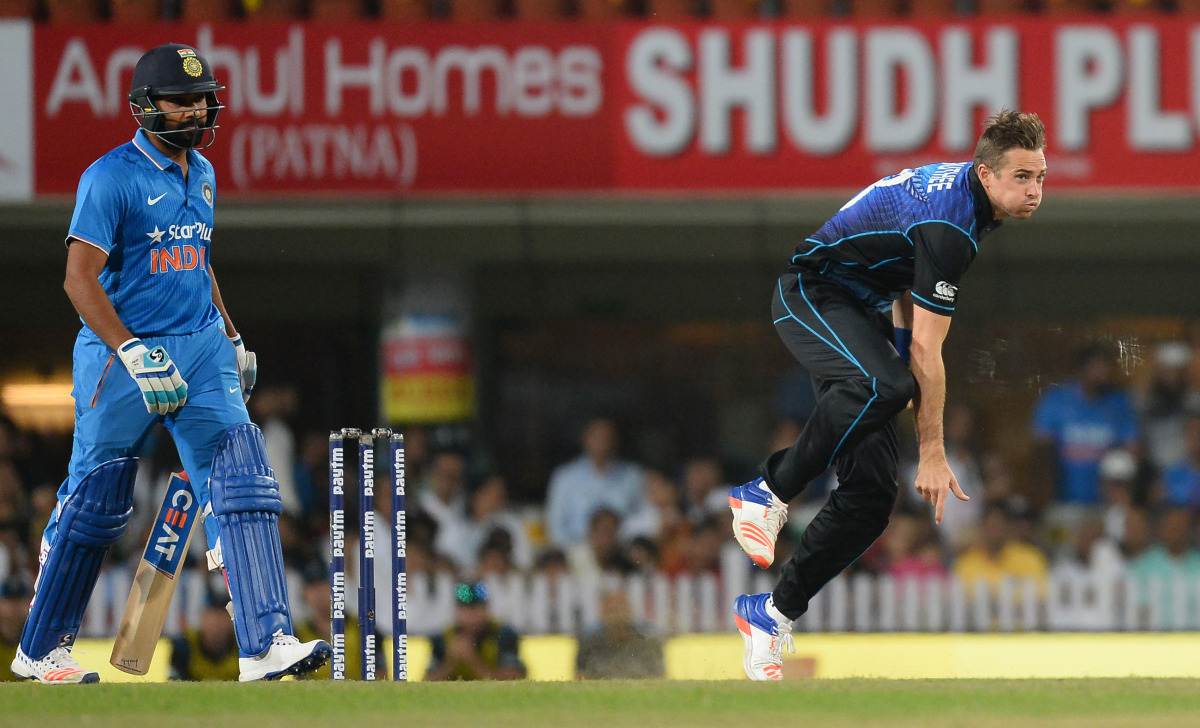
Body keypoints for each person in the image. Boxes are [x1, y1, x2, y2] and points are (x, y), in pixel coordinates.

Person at [9, 43, 329, 684]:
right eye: (182, 102)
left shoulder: (203, 173)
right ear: (144, 106)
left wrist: (232, 338)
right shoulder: (110, 177)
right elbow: (79, 280)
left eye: (202, 100)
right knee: (96, 502)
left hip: (201, 344)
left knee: (243, 479)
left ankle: (264, 645)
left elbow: (197, 263)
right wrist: (130, 349)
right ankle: (42, 651)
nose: (196, 111)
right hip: (120, 353)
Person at [727, 110, 1047, 680]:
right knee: (890, 382)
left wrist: (898, 358)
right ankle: (768, 489)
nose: (1035, 191)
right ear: (986, 173)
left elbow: (903, 282)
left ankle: (771, 613)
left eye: (1041, 177)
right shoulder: (954, 225)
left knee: (873, 497)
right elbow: (928, 350)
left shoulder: (970, 201)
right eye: (1022, 177)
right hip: (812, 293)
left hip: (860, 312)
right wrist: (931, 449)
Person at [1032, 340, 1139, 505]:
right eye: (1098, 366)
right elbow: (1041, 450)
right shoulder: (1056, 400)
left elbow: (1132, 448)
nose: (1105, 372)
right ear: (1082, 369)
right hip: (1064, 499)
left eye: (1107, 367)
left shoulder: (1119, 402)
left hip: (1106, 501)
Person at [545, 418, 645, 547]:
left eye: (606, 436)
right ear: (585, 439)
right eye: (596, 436)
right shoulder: (565, 477)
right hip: (576, 553)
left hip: (621, 552)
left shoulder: (632, 476)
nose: (601, 441)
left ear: (615, 440)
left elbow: (641, 517)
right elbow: (555, 524)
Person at [425, 582, 526, 681]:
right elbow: (427, 681)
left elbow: (513, 679)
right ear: (457, 611)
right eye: (466, 609)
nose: (472, 615)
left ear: (487, 609)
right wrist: (450, 662)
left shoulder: (504, 635)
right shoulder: (442, 638)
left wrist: (473, 660)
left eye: (477, 609)